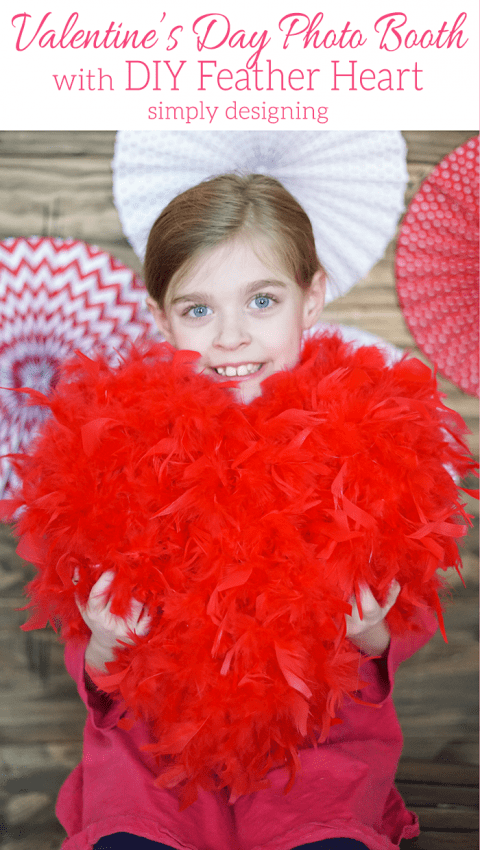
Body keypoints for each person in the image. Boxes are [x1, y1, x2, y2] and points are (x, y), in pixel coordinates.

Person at [11, 174, 473, 850]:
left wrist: (372, 632)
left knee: (327, 838)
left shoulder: (372, 444)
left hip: (316, 750)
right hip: (155, 761)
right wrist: (106, 639)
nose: (230, 337)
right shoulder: (110, 452)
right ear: (162, 317)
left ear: (311, 298)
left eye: (261, 300)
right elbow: (97, 657)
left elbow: (405, 615)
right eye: (198, 310)